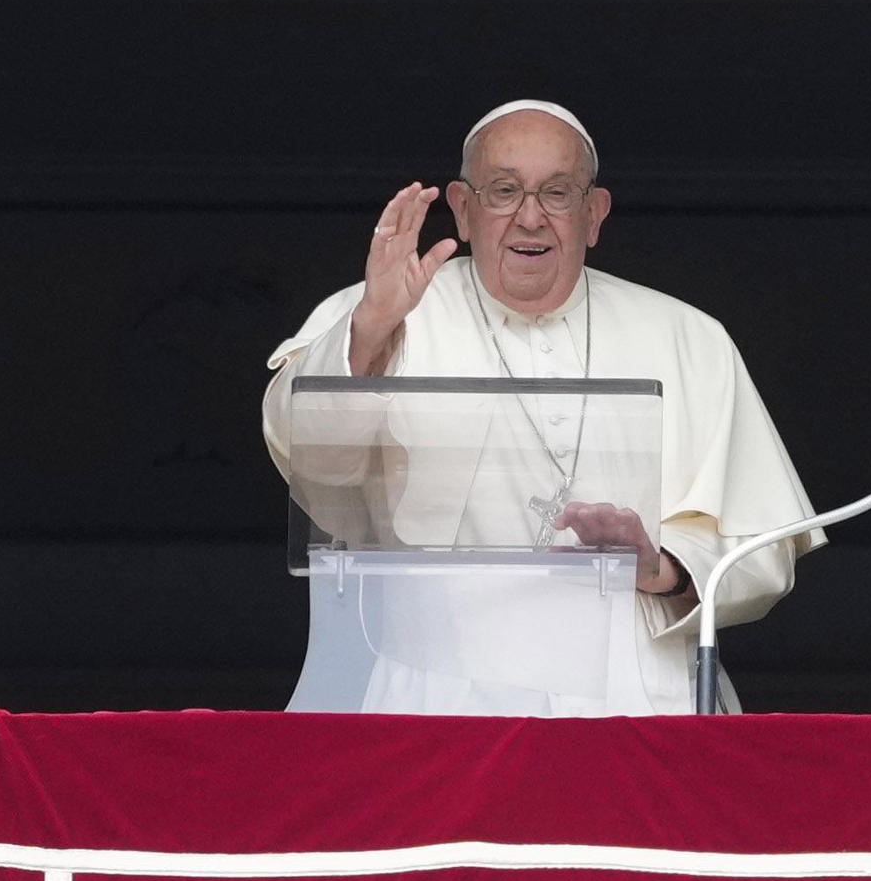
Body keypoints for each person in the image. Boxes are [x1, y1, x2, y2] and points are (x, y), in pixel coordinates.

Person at [262, 100, 817, 714]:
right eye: (503, 191)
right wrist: (369, 329)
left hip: (636, 692)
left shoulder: (690, 337)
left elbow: (762, 547)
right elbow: (309, 460)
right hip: (437, 688)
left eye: (557, 193)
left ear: (594, 214)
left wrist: (661, 567)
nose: (530, 217)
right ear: (463, 210)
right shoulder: (383, 311)